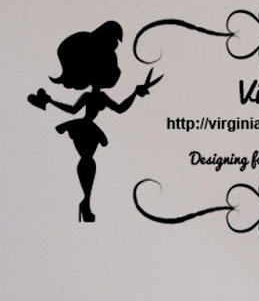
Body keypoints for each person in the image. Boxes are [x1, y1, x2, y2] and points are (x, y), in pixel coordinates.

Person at [27, 21, 160, 222]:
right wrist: (51, 101)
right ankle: (86, 203)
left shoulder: (101, 97)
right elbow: (73, 110)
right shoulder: (89, 97)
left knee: (88, 160)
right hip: (84, 127)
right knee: (87, 160)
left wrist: (135, 92)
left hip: (88, 128)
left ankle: (86, 202)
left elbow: (120, 108)